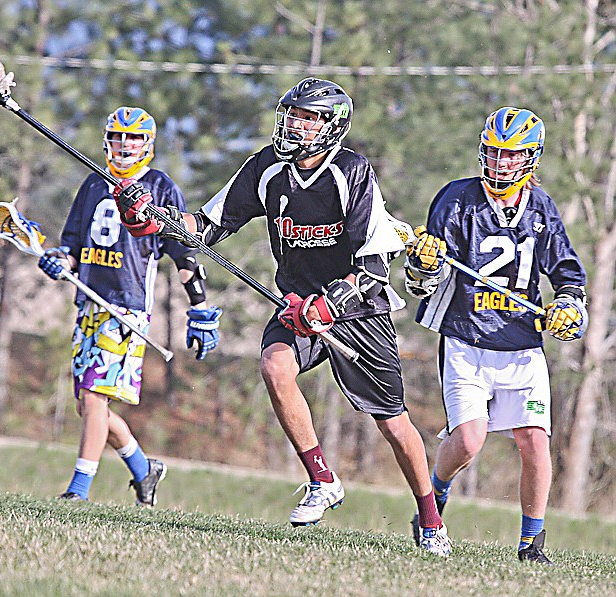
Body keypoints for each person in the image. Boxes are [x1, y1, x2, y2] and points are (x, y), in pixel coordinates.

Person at [113, 78, 451, 555]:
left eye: (308, 118)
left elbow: (374, 269)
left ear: (332, 126)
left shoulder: (352, 173)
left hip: (358, 309)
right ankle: (322, 479)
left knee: (393, 423)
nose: (295, 124)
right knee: (274, 365)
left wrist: (329, 304)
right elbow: (204, 228)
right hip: (298, 307)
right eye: (291, 114)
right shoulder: (266, 169)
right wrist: (152, 216)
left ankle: (432, 521)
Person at [404, 106, 588, 564]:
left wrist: (567, 306)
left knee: (534, 440)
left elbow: (567, 274)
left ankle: (532, 543)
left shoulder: (541, 208)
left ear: (531, 159)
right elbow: (420, 282)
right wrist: (424, 263)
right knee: (468, 440)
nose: (501, 163)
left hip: (522, 345)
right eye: (494, 153)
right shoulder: (457, 199)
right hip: (467, 338)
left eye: (512, 155)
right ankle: (436, 495)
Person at [38, 106, 222, 505]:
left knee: (93, 398)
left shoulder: (160, 187)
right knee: (88, 406)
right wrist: (59, 260)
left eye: (134, 137)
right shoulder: (92, 183)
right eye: (118, 136)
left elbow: (183, 253)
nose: (125, 144)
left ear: (148, 144)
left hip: (125, 309)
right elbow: (73, 245)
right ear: (106, 140)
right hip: (89, 300)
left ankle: (78, 491)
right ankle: (144, 470)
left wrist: (200, 307)